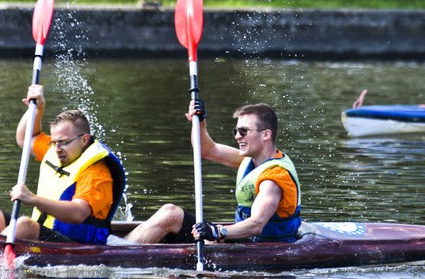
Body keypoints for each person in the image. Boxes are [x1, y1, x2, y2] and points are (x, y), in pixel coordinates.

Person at [0, 84, 126, 245]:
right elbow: (26, 138)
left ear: (84, 139)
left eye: (63, 142)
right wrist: (36, 109)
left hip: (77, 243)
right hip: (46, 231)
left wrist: (33, 199)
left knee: (24, 225)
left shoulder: (96, 172)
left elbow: (78, 213)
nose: (57, 149)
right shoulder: (56, 149)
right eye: (54, 142)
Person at [126, 101, 302, 244]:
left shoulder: (273, 179)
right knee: (170, 212)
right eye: (236, 131)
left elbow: (256, 225)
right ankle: (121, 246)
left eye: (244, 131)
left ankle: (117, 253)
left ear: (266, 135)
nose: (237, 137)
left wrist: (216, 232)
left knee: (172, 215)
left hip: (261, 248)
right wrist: (200, 121)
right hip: (240, 240)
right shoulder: (250, 161)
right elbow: (206, 149)